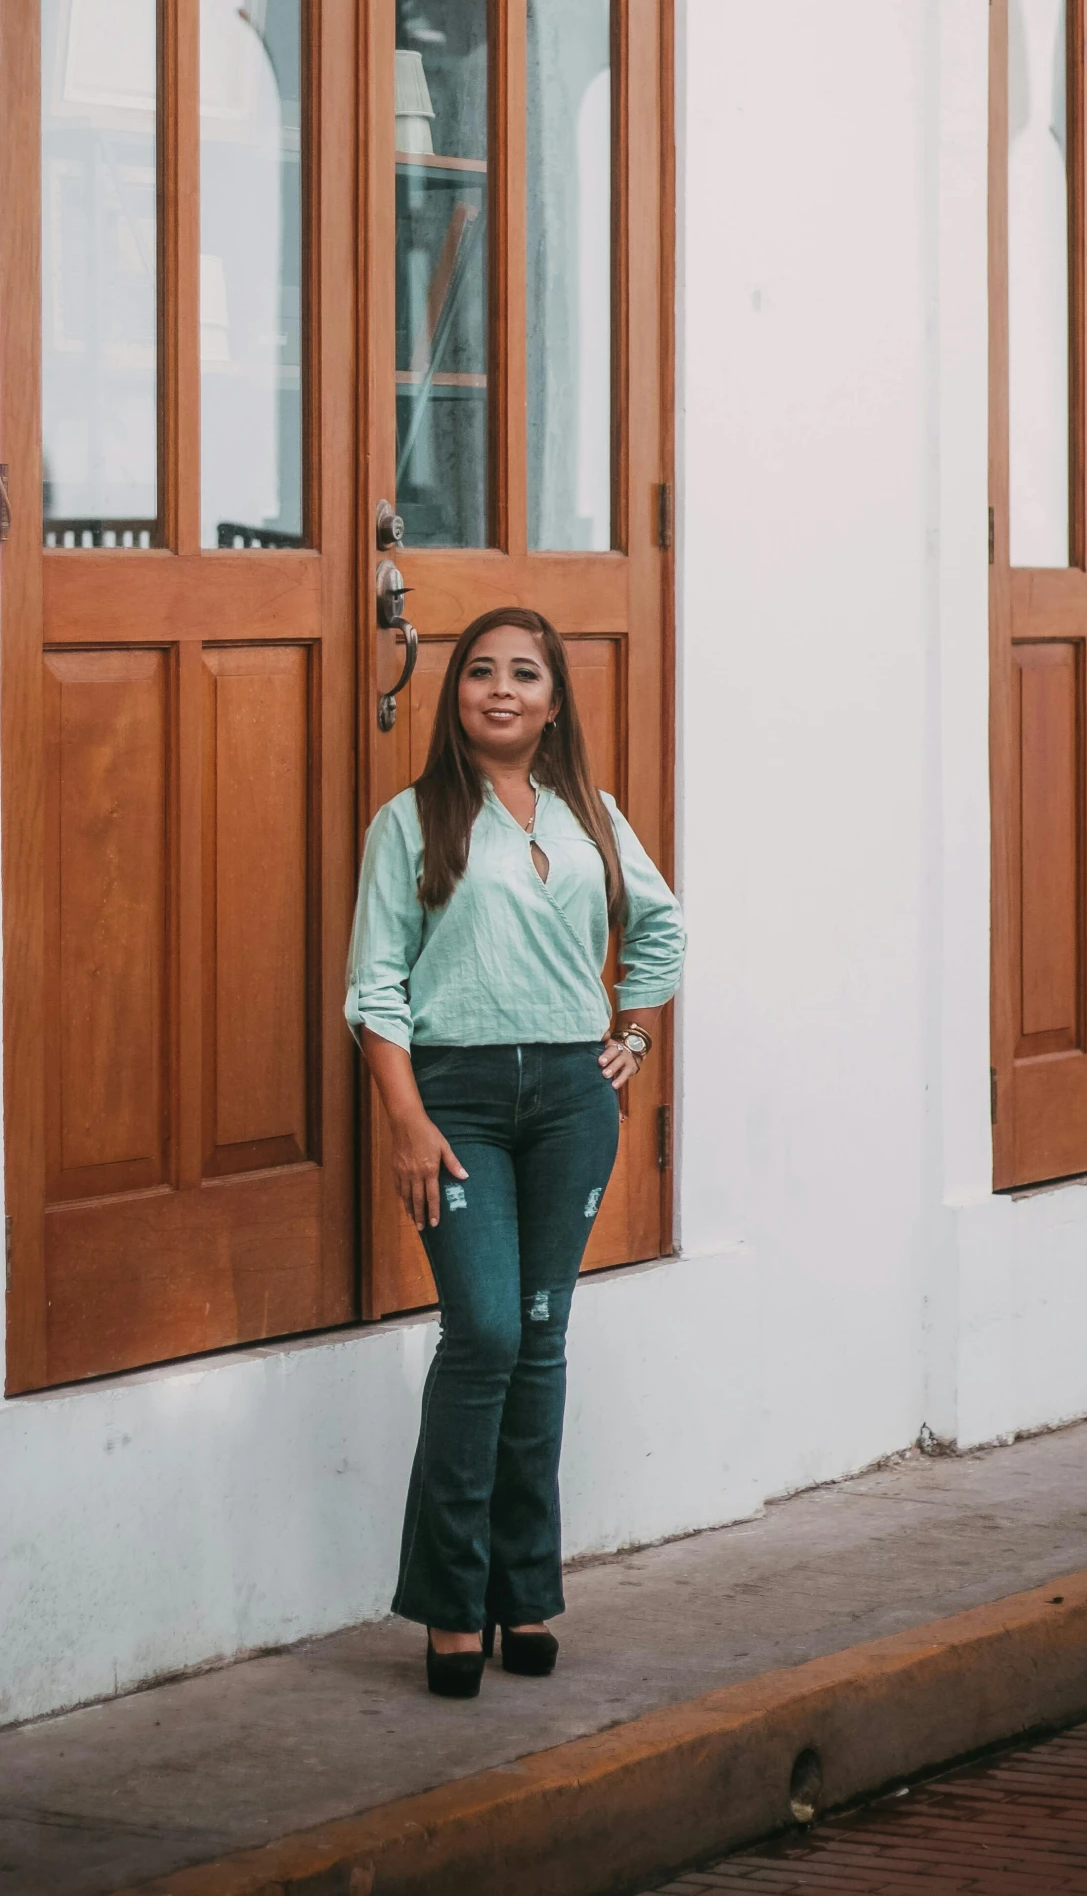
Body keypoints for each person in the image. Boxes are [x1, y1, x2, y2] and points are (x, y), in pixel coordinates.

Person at [346, 605, 685, 1699]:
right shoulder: (411, 820)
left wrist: (630, 1031)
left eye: (524, 672)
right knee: (483, 1329)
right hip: (459, 1101)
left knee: (541, 1337)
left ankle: (525, 1590)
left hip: (572, 1101)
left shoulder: (591, 814)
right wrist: (406, 1117)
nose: (500, 687)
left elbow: (664, 926)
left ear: (552, 698)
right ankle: (452, 1601)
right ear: (455, 695)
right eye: (480, 671)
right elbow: (376, 986)